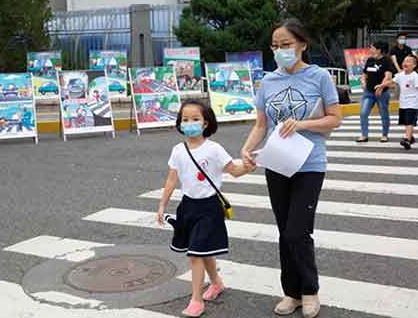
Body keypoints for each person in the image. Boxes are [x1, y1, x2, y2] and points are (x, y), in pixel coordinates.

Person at [241, 18, 341, 318]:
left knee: (299, 231)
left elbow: (334, 118)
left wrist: (304, 124)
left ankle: (310, 291)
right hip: (277, 162)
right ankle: (291, 293)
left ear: (302, 45)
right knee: (284, 231)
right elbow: (261, 124)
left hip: (309, 163)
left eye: (286, 44)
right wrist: (246, 149)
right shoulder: (267, 81)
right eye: (275, 46)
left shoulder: (319, 76)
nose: (280, 50)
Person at [157, 100, 255, 317]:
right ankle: (217, 283)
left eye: (195, 119)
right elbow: (172, 179)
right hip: (188, 207)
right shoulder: (178, 150)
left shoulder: (214, 149)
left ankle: (196, 300)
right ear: (179, 123)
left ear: (205, 123)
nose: (189, 123)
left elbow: (234, 170)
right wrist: (162, 204)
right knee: (202, 250)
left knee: (195, 255)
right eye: (185, 119)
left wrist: (248, 167)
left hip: (209, 208)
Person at [357, 41, 394, 142]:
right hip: (369, 92)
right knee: (363, 112)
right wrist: (363, 82)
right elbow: (365, 74)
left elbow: (388, 76)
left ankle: (384, 135)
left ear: (379, 50)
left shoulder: (387, 60)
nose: (370, 49)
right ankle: (364, 135)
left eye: (372, 48)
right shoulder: (370, 60)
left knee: (384, 113)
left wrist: (381, 87)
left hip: (382, 92)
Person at [383, 55, 418, 149]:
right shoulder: (401, 75)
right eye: (404, 61)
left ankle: (407, 139)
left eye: (408, 61)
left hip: (413, 103)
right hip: (403, 103)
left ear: (414, 65)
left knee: (409, 122)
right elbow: (391, 82)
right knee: (406, 122)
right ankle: (411, 137)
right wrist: (381, 85)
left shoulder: (415, 76)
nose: (405, 63)